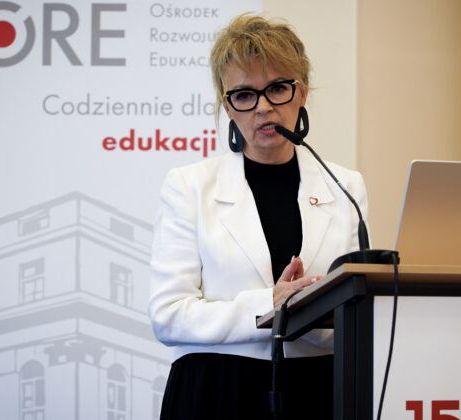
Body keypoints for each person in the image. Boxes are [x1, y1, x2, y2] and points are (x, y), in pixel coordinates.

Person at [147, 13, 369, 420]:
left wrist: (315, 314)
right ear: (227, 106)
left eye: (278, 89)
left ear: (301, 93)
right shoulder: (189, 186)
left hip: (320, 390)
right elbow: (169, 316)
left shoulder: (346, 186)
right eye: (244, 95)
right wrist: (270, 305)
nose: (263, 108)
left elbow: (355, 312)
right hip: (217, 391)